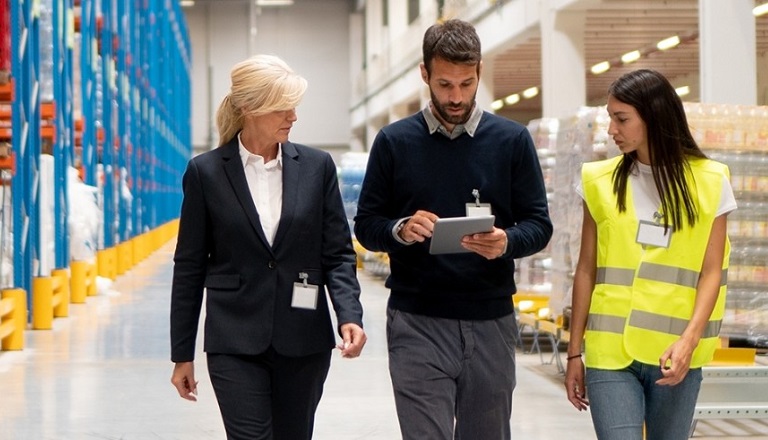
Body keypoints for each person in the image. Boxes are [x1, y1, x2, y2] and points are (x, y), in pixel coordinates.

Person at [353, 19, 553, 440]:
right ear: (424, 74)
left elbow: (539, 225)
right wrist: (401, 229)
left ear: (479, 71)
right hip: (416, 321)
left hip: (490, 320)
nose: (456, 97)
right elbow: (367, 226)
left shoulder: (512, 141)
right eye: (444, 84)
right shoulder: (394, 142)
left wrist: (506, 242)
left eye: (466, 83)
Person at [169, 54, 367, 440]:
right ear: (249, 107)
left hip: (304, 338)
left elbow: (338, 253)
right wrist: (182, 354)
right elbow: (189, 267)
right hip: (234, 339)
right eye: (282, 107)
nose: (293, 116)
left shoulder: (317, 167)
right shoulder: (205, 172)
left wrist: (349, 314)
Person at [564, 69, 736, 440]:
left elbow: (712, 272)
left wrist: (689, 342)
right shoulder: (599, 181)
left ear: (654, 115)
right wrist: (574, 352)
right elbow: (586, 270)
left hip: (675, 354)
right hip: (610, 354)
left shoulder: (711, 182)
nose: (612, 130)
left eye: (621, 118)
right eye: (610, 117)